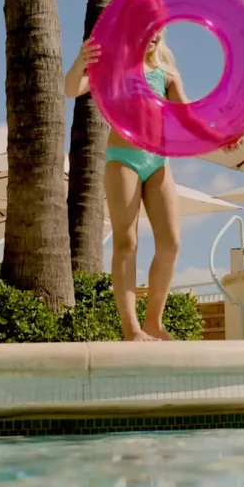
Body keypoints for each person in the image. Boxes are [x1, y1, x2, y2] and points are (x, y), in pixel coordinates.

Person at [64, 29, 183, 342]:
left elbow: (187, 116)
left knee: (171, 242)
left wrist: (223, 130)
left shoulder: (168, 74)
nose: (154, 33)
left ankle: (154, 322)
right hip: (123, 159)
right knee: (126, 241)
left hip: (159, 161)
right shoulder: (115, 70)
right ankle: (131, 328)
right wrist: (80, 61)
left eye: (159, 26)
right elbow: (72, 88)